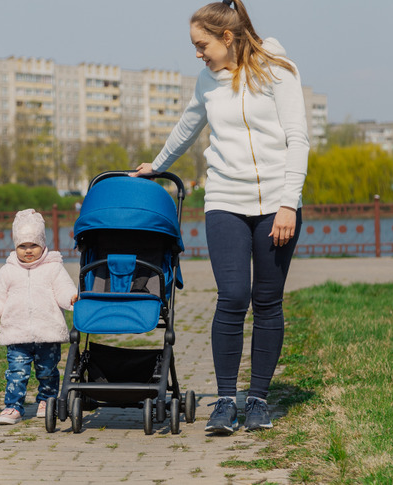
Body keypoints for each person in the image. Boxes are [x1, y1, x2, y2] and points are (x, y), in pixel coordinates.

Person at [131, 0, 309, 434]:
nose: (197, 53)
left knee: (268, 302)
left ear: (226, 37)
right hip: (225, 200)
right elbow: (186, 127)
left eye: (201, 44)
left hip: (276, 207)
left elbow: (298, 137)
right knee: (232, 296)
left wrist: (289, 202)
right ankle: (226, 401)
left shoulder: (277, 68)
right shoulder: (206, 81)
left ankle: (260, 400)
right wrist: (155, 165)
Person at [0, 209, 78, 425]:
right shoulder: (8, 271)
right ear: (15, 247)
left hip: (47, 333)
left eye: (33, 245)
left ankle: (46, 401)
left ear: (43, 244)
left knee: (48, 371)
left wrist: (71, 298)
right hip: (17, 334)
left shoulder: (53, 268)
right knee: (16, 373)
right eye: (23, 246)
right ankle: (13, 407)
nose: (28, 251)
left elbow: (63, 290)